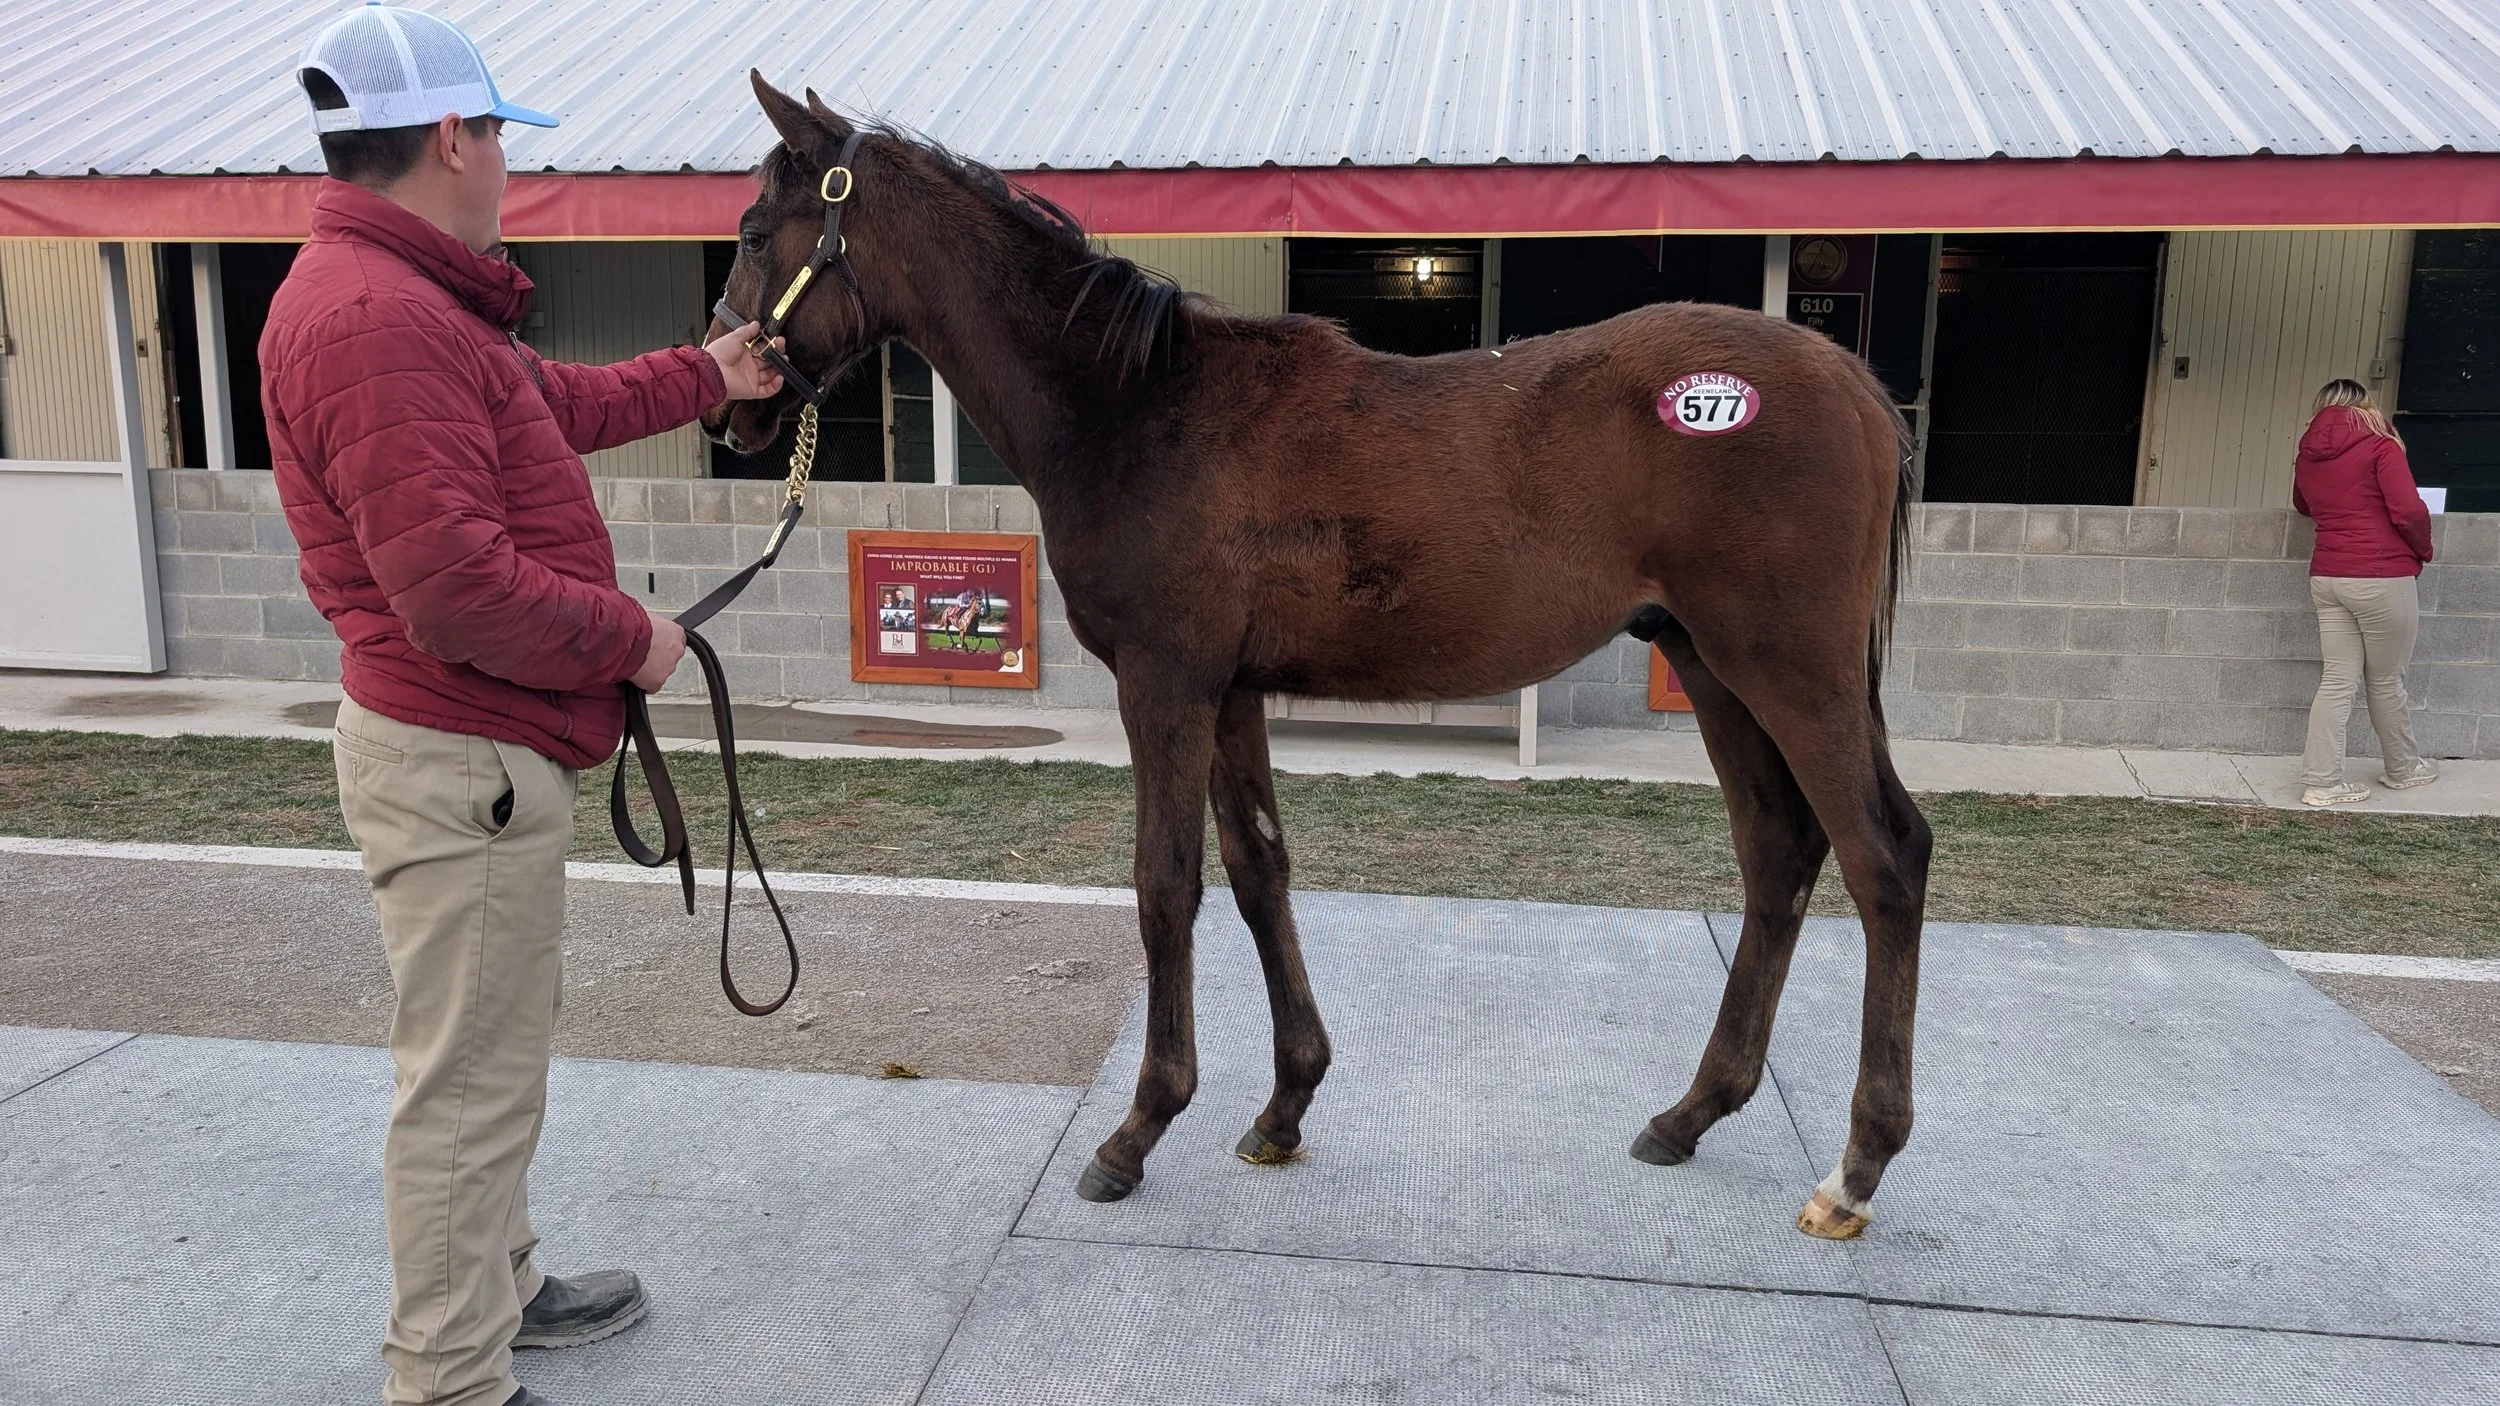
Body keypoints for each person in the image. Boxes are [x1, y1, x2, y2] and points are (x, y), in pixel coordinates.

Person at [256, 7, 784, 1404]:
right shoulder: (376, 317)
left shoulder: (414, 302)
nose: (506, 168)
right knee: (468, 1090)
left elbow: (545, 405)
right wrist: (638, 637)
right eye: (497, 137)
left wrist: (703, 374)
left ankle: (500, 1287)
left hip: (469, 750)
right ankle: (450, 1379)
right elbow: (456, 591)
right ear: (452, 138)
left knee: (485, 1060)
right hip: (458, 749)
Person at [2292, 379, 2438, 806]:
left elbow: (2304, 505)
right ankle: (2404, 769)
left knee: (2337, 680)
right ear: (2365, 405)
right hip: (2380, 576)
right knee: (2387, 680)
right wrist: (2422, 552)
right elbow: (2410, 509)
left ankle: (2322, 781)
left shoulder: (2307, 450)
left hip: (2328, 577)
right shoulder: (2380, 443)